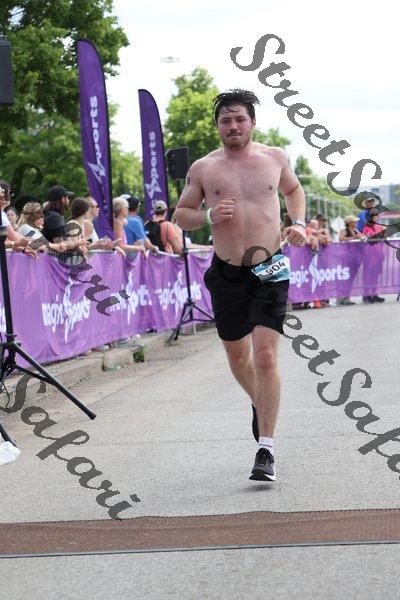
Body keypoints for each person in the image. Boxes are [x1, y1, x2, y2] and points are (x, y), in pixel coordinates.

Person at [175, 89, 307, 482]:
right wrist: (209, 215)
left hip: (270, 267)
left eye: (239, 119)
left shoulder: (275, 158)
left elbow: (294, 191)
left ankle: (266, 449)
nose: (233, 126)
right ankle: (260, 402)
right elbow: (182, 214)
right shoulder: (203, 168)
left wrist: (298, 223)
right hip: (227, 273)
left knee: (265, 358)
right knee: (238, 359)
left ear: (252, 122)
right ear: (218, 126)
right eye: (225, 120)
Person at [362, 209, 386, 303]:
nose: (376, 217)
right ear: (370, 217)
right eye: (374, 216)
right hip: (369, 255)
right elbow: (366, 239)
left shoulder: (379, 227)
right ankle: (366, 295)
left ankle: (374, 294)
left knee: (375, 276)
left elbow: (382, 239)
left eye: (377, 216)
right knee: (368, 276)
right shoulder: (366, 228)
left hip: (378, 255)